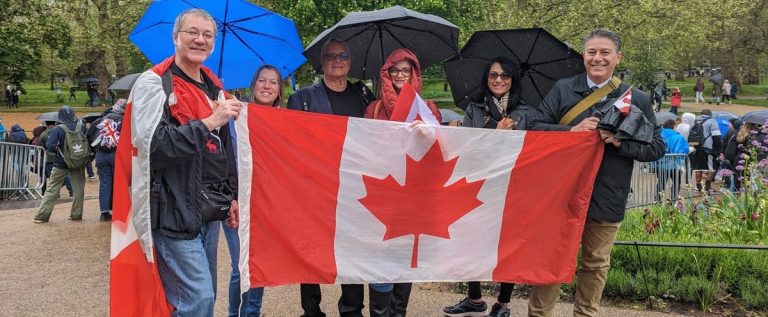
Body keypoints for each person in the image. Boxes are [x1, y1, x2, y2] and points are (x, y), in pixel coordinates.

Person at [527, 29, 665, 317]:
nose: (597, 58)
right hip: (562, 191)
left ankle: (586, 314)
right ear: (583, 56)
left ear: (617, 57)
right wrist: (571, 131)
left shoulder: (636, 98)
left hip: (608, 191)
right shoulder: (563, 89)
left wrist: (621, 143)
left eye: (604, 52)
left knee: (596, 262)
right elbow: (535, 128)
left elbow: (656, 148)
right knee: (554, 255)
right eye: (592, 52)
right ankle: (539, 314)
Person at [128, 9, 241, 315]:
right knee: (198, 298)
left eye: (207, 35)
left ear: (214, 43)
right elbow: (156, 147)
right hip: (172, 209)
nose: (199, 40)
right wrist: (208, 122)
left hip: (209, 207)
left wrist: (232, 196)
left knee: (205, 296)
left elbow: (222, 151)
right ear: (175, 37)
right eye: (192, 32)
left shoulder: (215, 89)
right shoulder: (154, 85)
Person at [287, 37, 375, 317]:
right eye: (331, 56)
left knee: (354, 250)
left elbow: (380, 134)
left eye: (343, 55)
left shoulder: (364, 96)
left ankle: (352, 309)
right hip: (315, 188)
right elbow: (290, 144)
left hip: (355, 187)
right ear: (321, 62)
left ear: (350, 61)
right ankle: (311, 310)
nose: (338, 60)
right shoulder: (302, 99)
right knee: (312, 250)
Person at [441, 56, 534, 317]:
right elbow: (469, 146)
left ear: (513, 81)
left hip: (511, 189)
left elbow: (532, 149)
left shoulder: (526, 112)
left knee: (508, 243)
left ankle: (503, 303)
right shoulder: (475, 109)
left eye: (505, 76)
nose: (498, 80)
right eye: (493, 75)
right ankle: (474, 298)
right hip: (478, 185)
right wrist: (495, 130)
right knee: (472, 241)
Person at [363, 48, 441, 317]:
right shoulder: (373, 109)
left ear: (414, 74)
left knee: (404, 260)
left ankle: (399, 312)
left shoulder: (428, 108)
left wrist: (426, 133)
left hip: (414, 198)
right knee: (381, 259)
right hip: (383, 195)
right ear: (386, 73)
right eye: (394, 70)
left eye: (405, 70)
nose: (399, 75)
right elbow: (364, 148)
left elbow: (438, 152)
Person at [222, 65, 283, 317]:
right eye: (262, 80)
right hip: (236, 201)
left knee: (259, 264)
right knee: (240, 266)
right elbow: (223, 159)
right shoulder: (234, 116)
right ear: (253, 84)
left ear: (279, 90)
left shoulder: (284, 122)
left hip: (267, 204)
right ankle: (233, 313)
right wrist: (230, 196)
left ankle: (252, 313)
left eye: (273, 82)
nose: (266, 86)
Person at [33, 106, 87, 223]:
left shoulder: (58, 129)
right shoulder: (81, 127)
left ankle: (42, 216)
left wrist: (59, 151)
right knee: (78, 189)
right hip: (78, 161)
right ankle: (76, 214)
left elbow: (50, 145)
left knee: (52, 189)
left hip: (61, 162)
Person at [86, 99, 127, 222]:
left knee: (104, 183)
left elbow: (90, 135)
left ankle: (104, 212)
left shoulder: (102, 119)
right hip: (116, 154)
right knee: (119, 183)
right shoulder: (125, 120)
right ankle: (118, 210)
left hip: (101, 154)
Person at [655, 119, 689, 201]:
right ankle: (674, 198)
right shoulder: (678, 137)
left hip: (660, 163)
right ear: (673, 126)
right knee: (676, 181)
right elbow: (683, 150)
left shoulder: (657, 135)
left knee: (661, 181)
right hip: (674, 164)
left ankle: (657, 199)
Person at [39, 120, 74, 196]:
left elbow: (41, 146)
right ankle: (71, 190)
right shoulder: (59, 130)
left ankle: (56, 193)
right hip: (61, 156)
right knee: (66, 175)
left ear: (46, 124)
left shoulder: (43, 134)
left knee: (53, 177)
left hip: (49, 158)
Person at [690, 109, 721, 193]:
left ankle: (698, 186)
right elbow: (716, 135)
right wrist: (718, 149)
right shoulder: (712, 121)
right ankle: (707, 186)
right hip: (708, 148)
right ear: (710, 114)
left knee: (698, 167)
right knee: (711, 167)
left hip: (697, 147)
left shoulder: (695, 121)